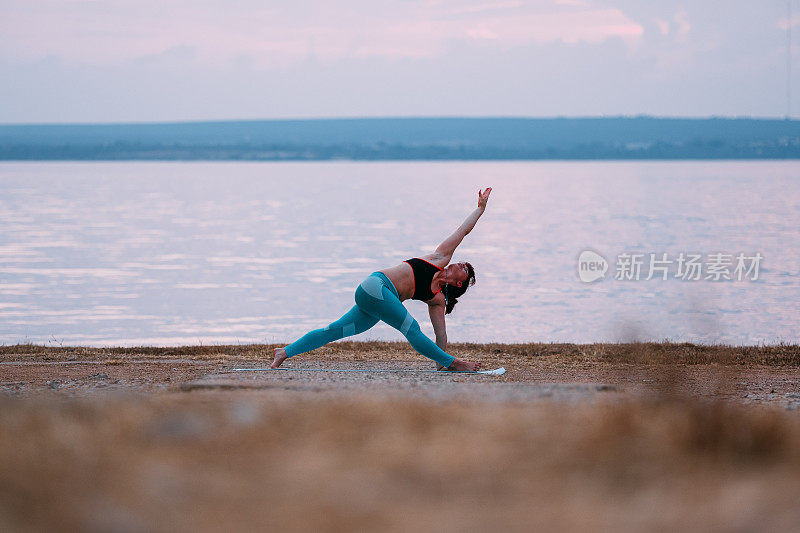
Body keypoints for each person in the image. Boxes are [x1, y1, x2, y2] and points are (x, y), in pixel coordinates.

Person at [271, 187, 492, 371]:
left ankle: (284, 352)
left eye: (466, 270)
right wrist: (480, 209)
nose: (462, 265)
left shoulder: (436, 300)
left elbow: (440, 334)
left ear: (459, 283)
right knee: (411, 328)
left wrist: (439, 363)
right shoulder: (439, 257)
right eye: (464, 264)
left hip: (376, 304)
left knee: (335, 330)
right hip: (375, 287)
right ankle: (456, 364)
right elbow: (463, 230)